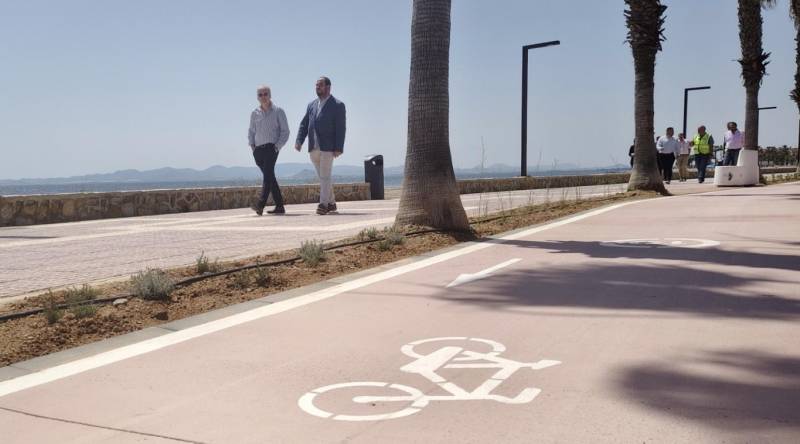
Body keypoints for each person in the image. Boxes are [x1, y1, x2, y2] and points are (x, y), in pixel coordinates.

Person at [295, 76, 347, 215]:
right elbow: (304, 124)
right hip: (313, 148)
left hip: (328, 147)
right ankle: (332, 203)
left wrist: (338, 147)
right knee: (324, 178)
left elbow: (341, 127)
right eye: (316, 85)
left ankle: (323, 204)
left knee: (325, 177)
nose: (317, 87)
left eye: (320, 85)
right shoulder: (311, 105)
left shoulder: (338, 105)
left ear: (328, 87)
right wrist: (299, 140)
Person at [248, 85, 290, 216]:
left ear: (270, 95)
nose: (263, 97)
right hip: (258, 151)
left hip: (271, 148)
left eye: (265, 94)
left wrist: (277, 147)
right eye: (260, 95)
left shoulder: (278, 111)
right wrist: (253, 147)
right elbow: (251, 131)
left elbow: (285, 131)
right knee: (270, 177)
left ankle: (260, 205)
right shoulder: (254, 113)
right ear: (257, 97)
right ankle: (280, 206)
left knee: (267, 176)